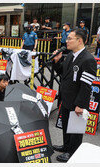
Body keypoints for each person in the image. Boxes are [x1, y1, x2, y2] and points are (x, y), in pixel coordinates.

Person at [52, 28, 97, 162]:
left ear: (80, 40)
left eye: (70, 38)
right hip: (66, 98)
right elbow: (63, 73)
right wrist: (57, 61)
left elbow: (86, 85)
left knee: (76, 130)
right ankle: (66, 146)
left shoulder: (88, 60)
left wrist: (80, 105)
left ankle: (73, 153)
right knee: (66, 125)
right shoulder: (71, 55)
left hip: (77, 101)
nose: (67, 40)